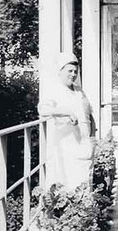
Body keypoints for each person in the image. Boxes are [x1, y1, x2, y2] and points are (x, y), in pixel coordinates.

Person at [37, 52, 96, 189]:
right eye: (69, 71)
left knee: (85, 183)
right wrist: (65, 112)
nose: (73, 74)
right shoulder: (54, 89)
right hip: (65, 146)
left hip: (84, 144)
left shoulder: (79, 90)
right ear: (60, 70)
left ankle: (85, 208)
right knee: (69, 183)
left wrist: (92, 137)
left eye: (76, 71)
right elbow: (43, 110)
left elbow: (89, 113)